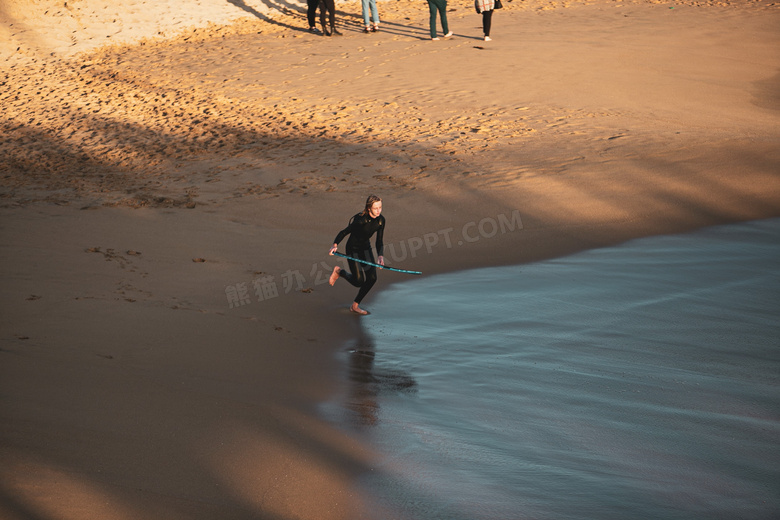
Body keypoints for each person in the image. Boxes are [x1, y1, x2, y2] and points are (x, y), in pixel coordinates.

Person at [328, 195, 385, 315]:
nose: (378, 210)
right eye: (375, 208)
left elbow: (379, 241)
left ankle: (355, 306)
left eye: (380, 207)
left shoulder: (381, 220)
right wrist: (335, 245)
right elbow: (344, 232)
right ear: (369, 208)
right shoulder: (360, 220)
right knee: (358, 281)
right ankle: (339, 272)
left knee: (372, 278)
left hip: (365, 249)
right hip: (353, 249)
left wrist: (380, 256)